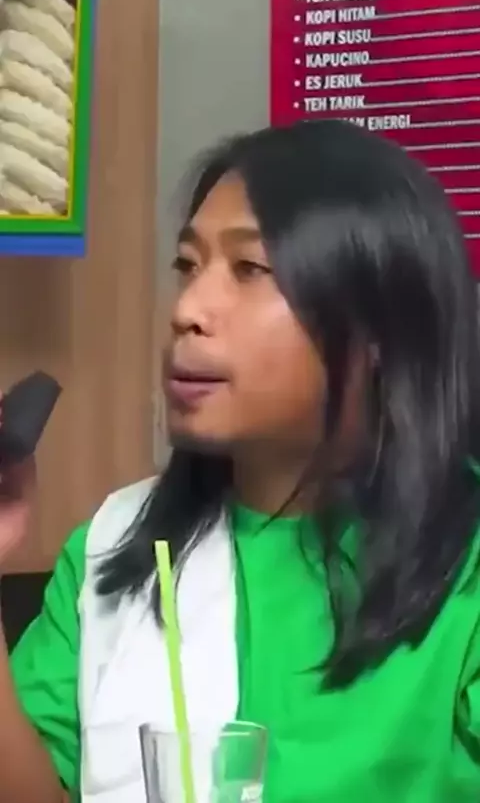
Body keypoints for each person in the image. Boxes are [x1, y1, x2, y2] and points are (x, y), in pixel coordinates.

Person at [1, 119, 480, 803]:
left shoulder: (466, 559)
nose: (188, 310)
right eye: (187, 266)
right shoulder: (113, 543)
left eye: (250, 269)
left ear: (379, 325)